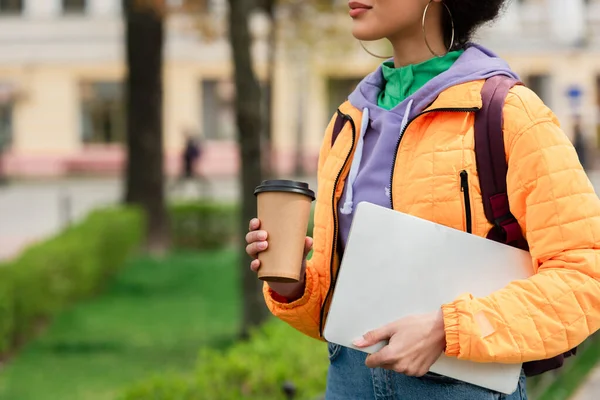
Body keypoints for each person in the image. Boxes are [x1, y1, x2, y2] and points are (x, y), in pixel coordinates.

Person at [246, 1, 600, 399]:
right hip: (348, 382)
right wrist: (293, 286)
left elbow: (585, 276)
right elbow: (338, 307)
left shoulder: (510, 114)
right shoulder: (347, 123)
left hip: (464, 386)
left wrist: (448, 329)